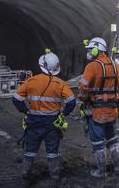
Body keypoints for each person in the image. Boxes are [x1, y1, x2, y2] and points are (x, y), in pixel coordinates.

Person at [12, 49, 76, 185]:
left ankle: (25, 176)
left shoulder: (31, 81)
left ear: (42, 66)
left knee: (30, 151)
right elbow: (72, 102)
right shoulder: (60, 84)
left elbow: (16, 99)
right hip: (52, 125)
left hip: (33, 123)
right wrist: (63, 114)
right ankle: (54, 178)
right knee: (52, 152)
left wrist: (26, 111)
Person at [78, 37, 119, 177]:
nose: (89, 52)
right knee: (113, 138)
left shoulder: (92, 66)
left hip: (97, 111)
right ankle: (118, 167)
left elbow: (83, 88)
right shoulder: (116, 65)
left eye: (90, 49)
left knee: (98, 141)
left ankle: (101, 171)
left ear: (96, 49)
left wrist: (82, 100)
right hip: (113, 109)